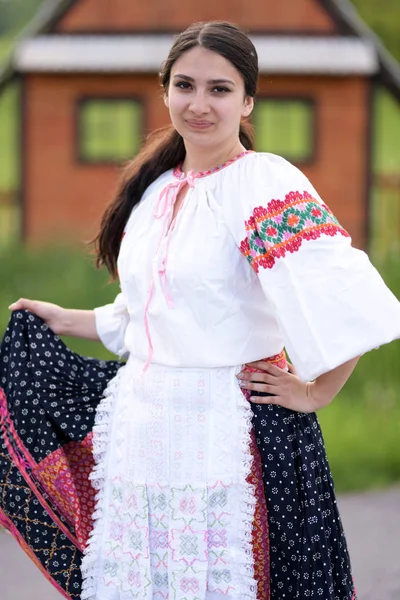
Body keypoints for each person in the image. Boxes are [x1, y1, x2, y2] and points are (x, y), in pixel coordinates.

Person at [2, 20, 400, 600]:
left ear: (248, 100)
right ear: (165, 89)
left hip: (230, 430)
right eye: (185, 85)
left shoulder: (263, 183)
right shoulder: (156, 187)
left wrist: (316, 392)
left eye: (220, 89)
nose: (199, 104)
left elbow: (348, 299)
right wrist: (66, 319)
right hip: (145, 427)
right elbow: (150, 314)